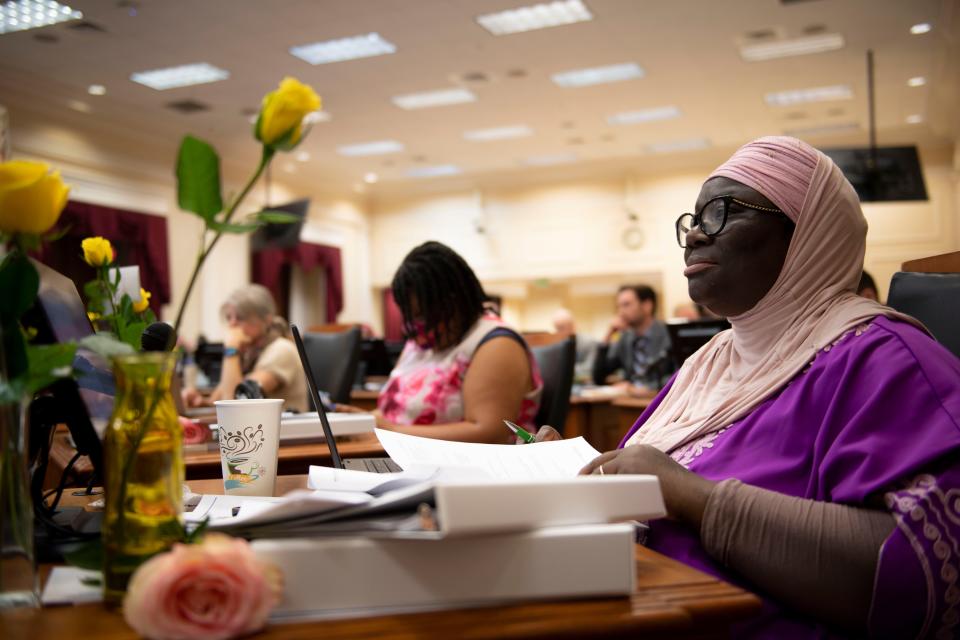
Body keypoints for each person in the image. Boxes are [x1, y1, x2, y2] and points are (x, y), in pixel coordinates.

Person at [576, 136, 960, 638]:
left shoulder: (882, 358)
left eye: (720, 212)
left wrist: (698, 499)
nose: (694, 236)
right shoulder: (707, 364)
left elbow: (929, 572)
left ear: (803, 234)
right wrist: (563, 472)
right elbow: (639, 474)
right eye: (693, 220)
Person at [373, 241, 542, 442]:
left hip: (472, 467)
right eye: (410, 317)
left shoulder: (497, 343)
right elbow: (392, 410)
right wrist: (361, 421)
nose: (416, 328)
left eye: (421, 314)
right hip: (402, 454)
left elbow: (489, 432)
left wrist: (389, 430)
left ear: (453, 301)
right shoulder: (421, 344)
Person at [181, 284, 307, 412]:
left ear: (267, 320)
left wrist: (231, 349)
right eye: (229, 317)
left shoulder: (282, 350)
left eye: (240, 317)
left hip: (285, 430)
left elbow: (235, 403)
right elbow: (220, 399)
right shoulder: (250, 352)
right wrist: (201, 402)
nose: (232, 324)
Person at [592, 284, 674, 395]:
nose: (620, 312)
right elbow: (598, 377)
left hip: (660, 401)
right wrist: (608, 335)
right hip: (631, 401)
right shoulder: (625, 338)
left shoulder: (669, 334)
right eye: (619, 307)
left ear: (647, 305)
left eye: (626, 305)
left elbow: (679, 376)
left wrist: (647, 389)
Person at [551, 308, 597, 384]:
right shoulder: (557, 346)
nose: (557, 332)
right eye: (556, 328)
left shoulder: (589, 342)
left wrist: (565, 370)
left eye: (561, 328)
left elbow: (590, 368)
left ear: (572, 326)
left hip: (586, 386)